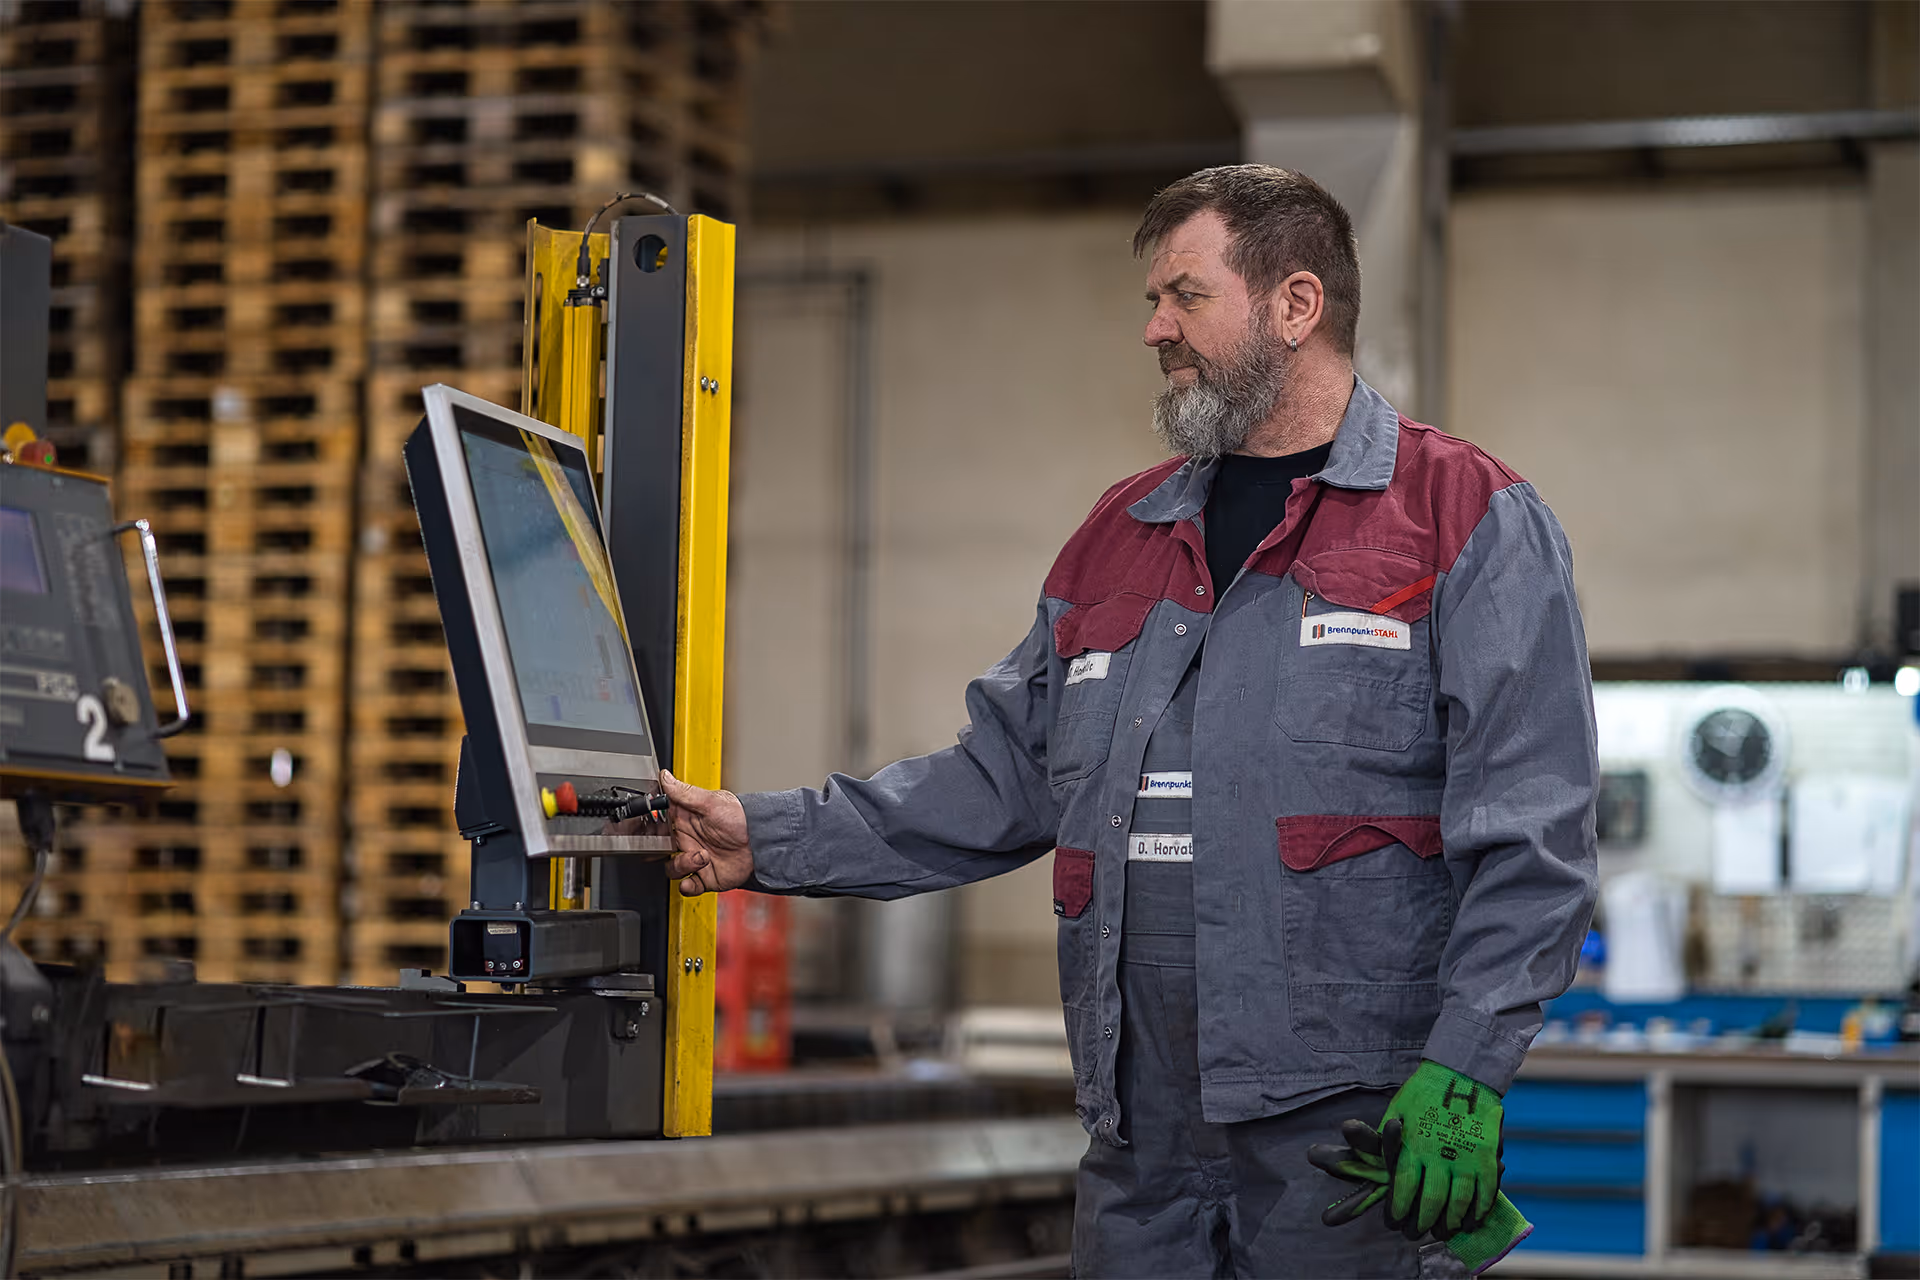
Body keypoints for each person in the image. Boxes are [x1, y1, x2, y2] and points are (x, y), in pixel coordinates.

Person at [646, 165, 1599, 1279]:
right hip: (1140, 1146)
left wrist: (1469, 1065)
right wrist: (762, 835)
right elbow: (999, 778)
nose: (1155, 327)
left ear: (1296, 305)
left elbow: (1533, 836)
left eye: (1185, 296)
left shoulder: (1464, 518)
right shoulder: (1123, 532)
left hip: (1350, 1152)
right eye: (1155, 300)